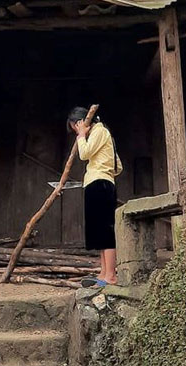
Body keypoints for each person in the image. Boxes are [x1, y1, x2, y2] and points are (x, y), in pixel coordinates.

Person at [67, 107, 123, 286]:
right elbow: (118, 166)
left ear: (80, 122)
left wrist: (81, 136)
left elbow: (84, 154)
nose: (76, 132)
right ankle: (104, 272)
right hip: (95, 182)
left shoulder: (99, 130)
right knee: (98, 230)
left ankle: (111, 276)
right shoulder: (100, 135)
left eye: (75, 128)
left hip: (101, 183)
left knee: (106, 230)